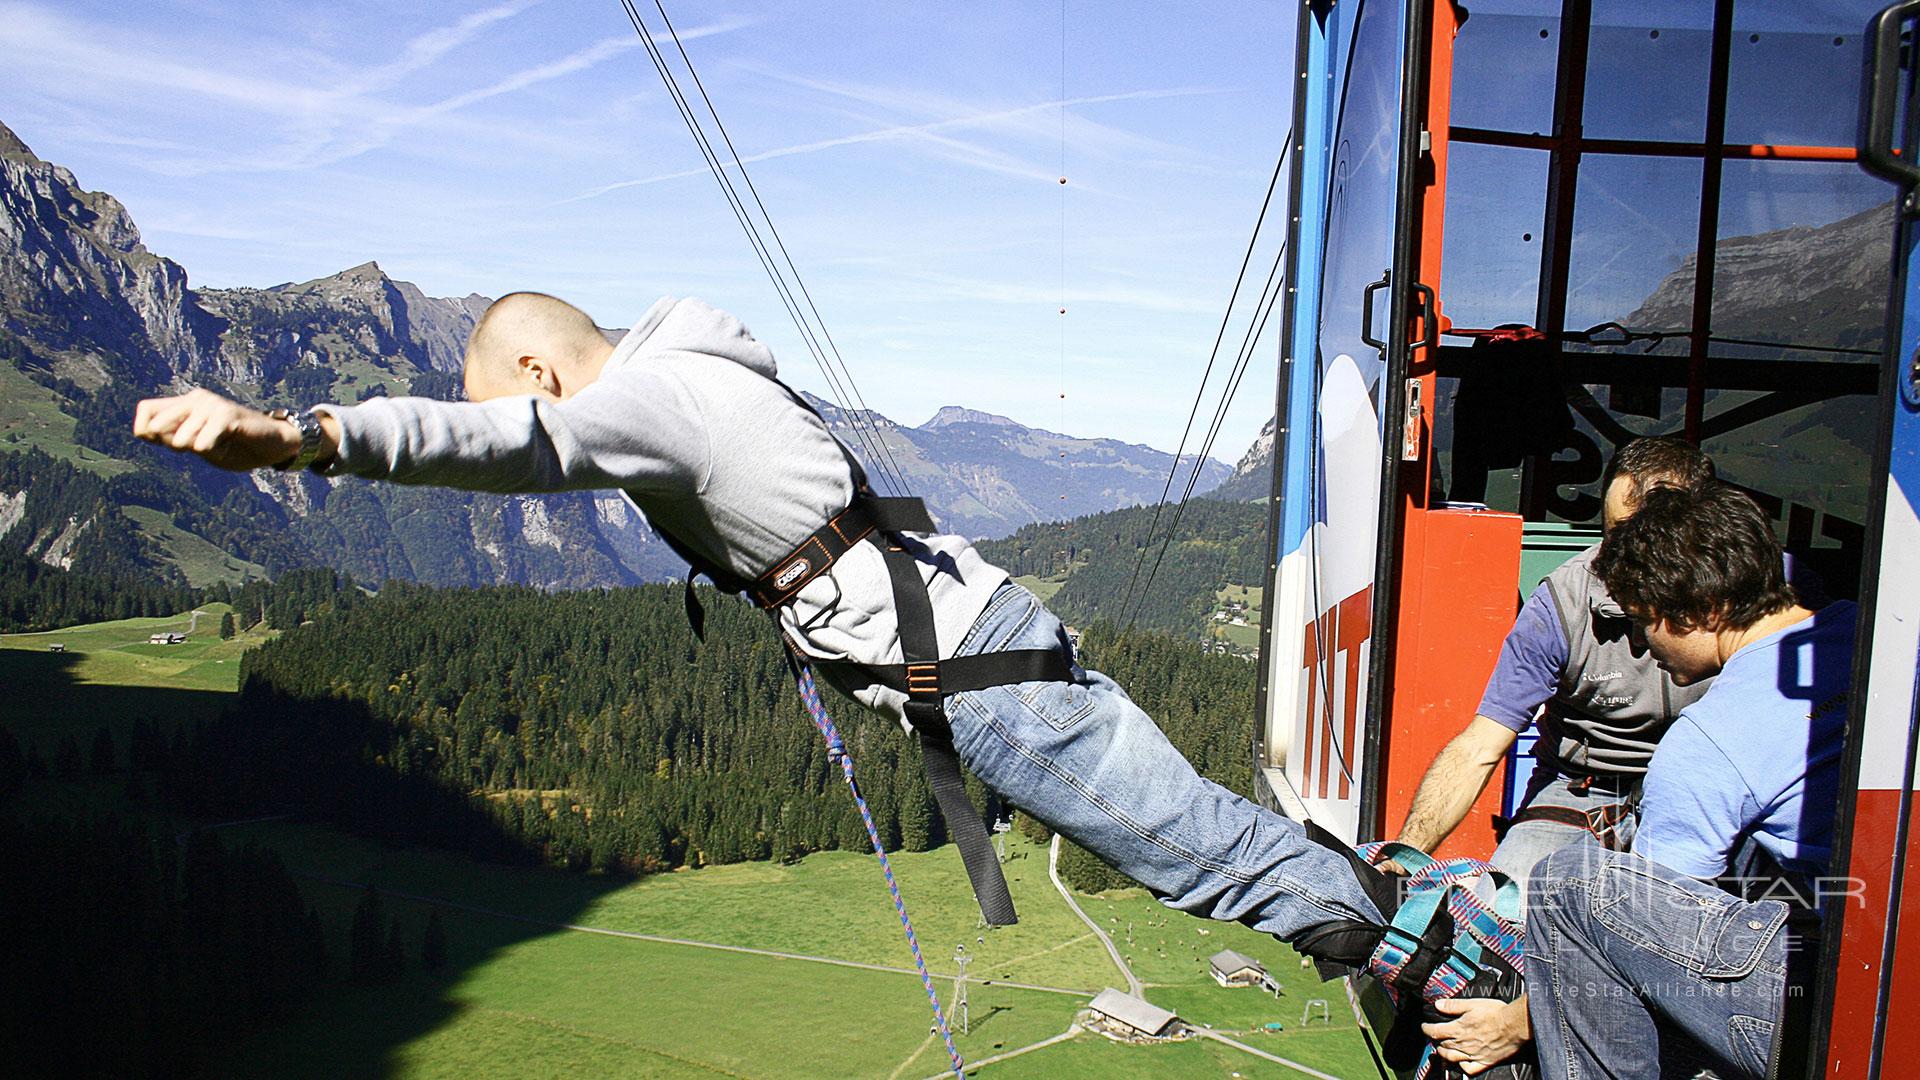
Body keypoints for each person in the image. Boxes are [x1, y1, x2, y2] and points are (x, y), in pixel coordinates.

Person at [131, 292, 1393, 959]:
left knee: (1208, 860)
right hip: (996, 637)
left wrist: (307, 437)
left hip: (982, 681)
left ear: (536, 369)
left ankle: (1434, 960)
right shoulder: (715, 371)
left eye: (511, 394)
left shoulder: (649, 402)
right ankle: (1407, 930)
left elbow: (513, 449)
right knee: (1204, 839)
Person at [1397, 438, 1715, 1072]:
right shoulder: (1566, 601)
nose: (1618, 558)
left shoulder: (1743, 600)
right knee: (1496, 928)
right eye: (1613, 533)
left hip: (1700, 793)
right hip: (1582, 786)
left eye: (1641, 539)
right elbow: (1484, 743)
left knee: (1679, 946)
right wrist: (1407, 855)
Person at [1520, 483, 1854, 1080]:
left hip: (1819, 1002)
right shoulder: (1870, 635)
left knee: (1574, 885)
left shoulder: (1710, 739)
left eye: (1648, 622)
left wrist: (1518, 1018)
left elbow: (1643, 930)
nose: (1646, 647)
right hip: (1877, 962)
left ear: (1698, 613)